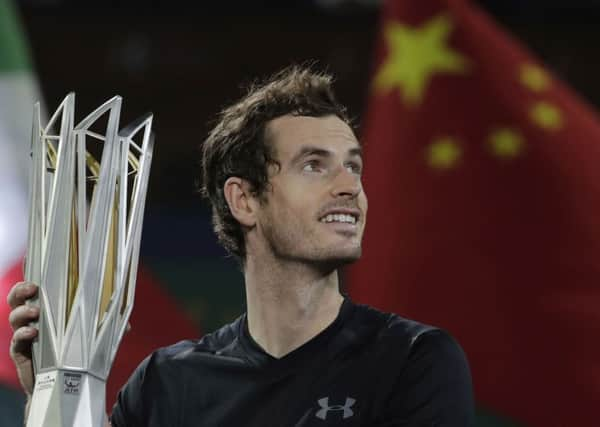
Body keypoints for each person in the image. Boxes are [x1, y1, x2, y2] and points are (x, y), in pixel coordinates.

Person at [8, 65, 474, 426]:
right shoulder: (165, 386)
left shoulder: (413, 360)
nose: (349, 186)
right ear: (244, 199)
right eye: (315, 165)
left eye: (354, 166)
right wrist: (54, 390)